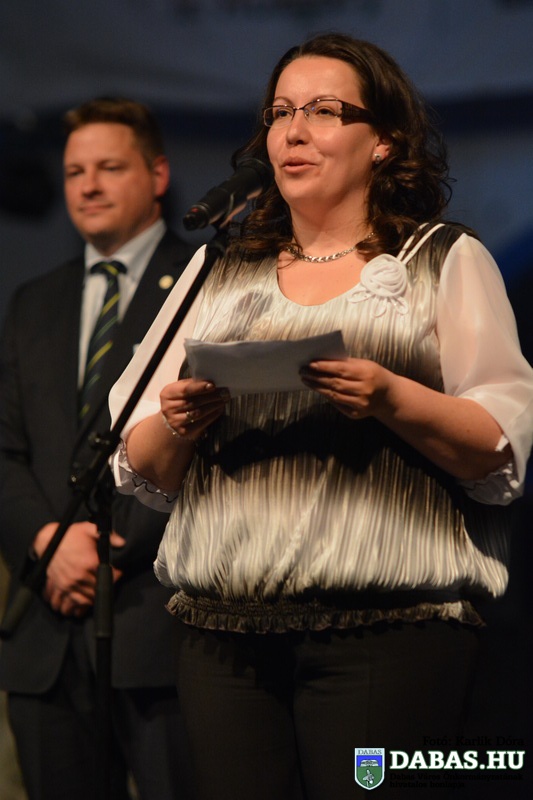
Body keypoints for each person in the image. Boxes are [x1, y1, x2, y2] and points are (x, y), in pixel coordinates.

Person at [108, 35, 533, 800]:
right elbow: (137, 462)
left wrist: (389, 396)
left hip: (388, 635)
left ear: (384, 141)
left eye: (323, 111)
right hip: (222, 640)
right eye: (279, 113)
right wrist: (177, 420)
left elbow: (496, 448)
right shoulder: (217, 267)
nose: (293, 131)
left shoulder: (440, 259)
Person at [0, 97, 196, 800]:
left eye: (110, 167)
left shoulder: (205, 283)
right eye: (74, 171)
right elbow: (5, 452)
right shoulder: (32, 302)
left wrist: (106, 550)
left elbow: (210, 444)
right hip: (46, 634)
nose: (88, 186)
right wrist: (48, 544)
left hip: (159, 625)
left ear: (158, 175)